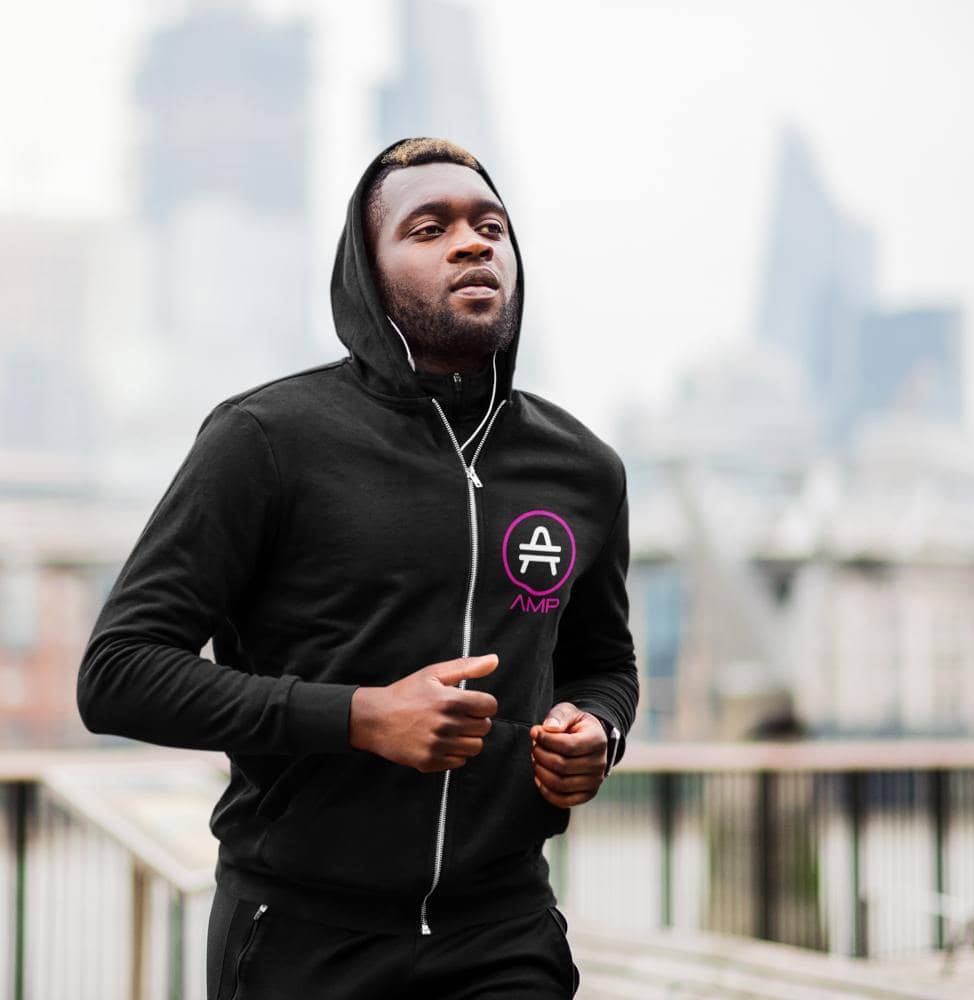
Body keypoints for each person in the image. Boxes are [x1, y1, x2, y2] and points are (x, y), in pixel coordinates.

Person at [78, 136, 639, 999]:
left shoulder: (582, 469)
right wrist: (359, 717)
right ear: (369, 275)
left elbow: (604, 661)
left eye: (492, 224)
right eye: (429, 226)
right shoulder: (267, 440)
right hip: (303, 935)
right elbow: (117, 673)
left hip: (504, 932)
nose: (472, 242)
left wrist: (598, 729)